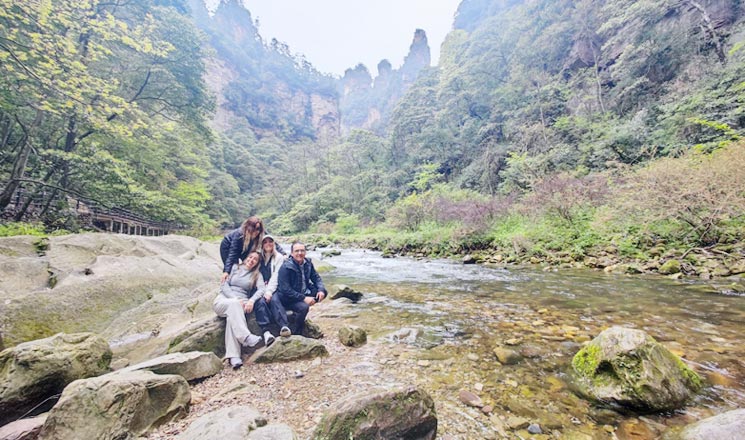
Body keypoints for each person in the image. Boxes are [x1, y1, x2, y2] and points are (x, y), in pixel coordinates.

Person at [213, 251, 274, 369]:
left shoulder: (257, 274)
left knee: (232, 319)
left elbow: (262, 289)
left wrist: (251, 300)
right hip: (224, 300)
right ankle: (245, 337)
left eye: (255, 259)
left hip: (242, 304)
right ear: (246, 258)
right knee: (234, 305)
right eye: (250, 257)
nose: (252, 260)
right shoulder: (234, 268)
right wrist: (235, 298)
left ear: (257, 263)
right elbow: (224, 286)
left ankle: (234, 357)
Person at [273, 242, 327, 337]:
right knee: (304, 307)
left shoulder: (308, 263)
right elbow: (285, 289)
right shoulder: (285, 267)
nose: (300, 253)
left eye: (302, 250)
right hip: (288, 297)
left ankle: (310, 301)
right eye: (297, 251)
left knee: (324, 292)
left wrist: (321, 289)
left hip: (301, 291)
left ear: (305, 252)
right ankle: (295, 331)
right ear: (292, 253)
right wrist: (304, 298)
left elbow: (316, 278)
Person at [220, 216, 285, 284]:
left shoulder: (261, 231)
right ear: (248, 228)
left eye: (258, 229)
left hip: (245, 245)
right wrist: (226, 271)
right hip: (227, 245)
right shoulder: (239, 234)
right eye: (253, 229)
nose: (256, 232)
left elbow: (271, 242)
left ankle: (250, 282)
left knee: (250, 263)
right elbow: (232, 254)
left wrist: (283, 253)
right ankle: (231, 283)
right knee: (234, 268)